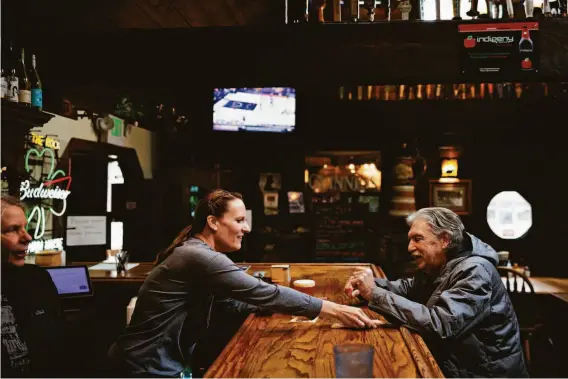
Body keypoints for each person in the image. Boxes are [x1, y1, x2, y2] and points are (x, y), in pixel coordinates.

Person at [109, 189, 380, 377]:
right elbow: (262, 292)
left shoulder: (200, 253)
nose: (246, 228)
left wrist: (278, 307)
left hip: (152, 362)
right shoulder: (197, 256)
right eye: (239, 220)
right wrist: (334, 309)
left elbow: (234, 302)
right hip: (145, 367)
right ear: (213, 222)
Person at [345, 207, 528, 378]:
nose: (409, 247)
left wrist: (374, 293)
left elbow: (440, 325)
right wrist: (367, 286)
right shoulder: (443, 263)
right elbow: (408, 288)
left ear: (445, 240)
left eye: (418, 239)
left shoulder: (475, 270)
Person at [1, 195, 65, 377]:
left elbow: (60, 346)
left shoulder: (38, 279)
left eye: (25, 228)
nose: (27, 237)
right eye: (13, 229)